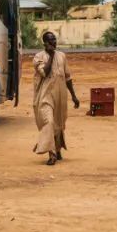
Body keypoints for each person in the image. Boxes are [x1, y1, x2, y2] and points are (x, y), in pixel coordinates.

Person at [32, 31, 80, 166]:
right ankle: (51, 153)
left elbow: (67, 77)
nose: (54, 42)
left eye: (54, 39)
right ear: (45, 43)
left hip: (60, 95)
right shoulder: (38, 57)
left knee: (59, 124)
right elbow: (45, 72)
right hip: (45, 96)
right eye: (50, 40)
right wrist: (51, 56)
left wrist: (74, 96)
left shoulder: (62, 56)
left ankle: (57, 149)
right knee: (49, 122)